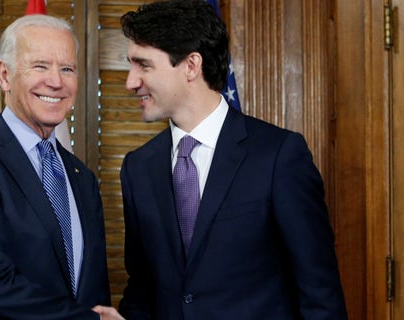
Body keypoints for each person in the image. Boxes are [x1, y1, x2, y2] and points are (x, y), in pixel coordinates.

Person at [116, 1, 348, 319]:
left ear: (191, 65)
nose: (130, 82)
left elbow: (319, 292)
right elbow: (142, 288)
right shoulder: (137, 167)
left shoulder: (279, 155)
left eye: (143, 65)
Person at [0, 14, 113, 319]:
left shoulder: (82, 178)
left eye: (67, 69)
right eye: (40, 66)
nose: (56, 82)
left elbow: (93, 291)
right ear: (5, 75)